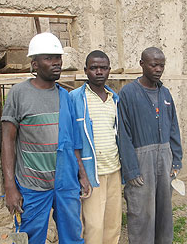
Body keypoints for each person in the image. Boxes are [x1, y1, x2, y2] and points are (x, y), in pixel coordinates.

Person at [0, 32, 91, 244]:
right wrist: (10, 186)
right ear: (34, 64)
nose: (56, 63)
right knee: (31, 238)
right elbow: (7, 141)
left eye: (58, 57)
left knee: (72, 237)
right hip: (32, 186)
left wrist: (82, 175)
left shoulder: (65, 96)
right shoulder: (19, 93)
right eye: (49, 58)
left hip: (65, 183)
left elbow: (73, 143)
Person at [118, 47, 183, 244]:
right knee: (141, 212)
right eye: (154, 64)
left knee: (164, 210)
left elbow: (174, 128)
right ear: (142, 64)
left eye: (161, 65)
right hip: (140, 160)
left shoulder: (165, 93)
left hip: (165, 158)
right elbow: (123, 134)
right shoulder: (128, 93)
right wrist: (131, 170)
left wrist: (176, 161)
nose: (158, 69)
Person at [69, 50, 122, 244]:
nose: (99, 72)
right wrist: (82, 173)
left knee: (113, 224)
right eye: (94, 68)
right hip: (92, 173)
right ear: (86, 71)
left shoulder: (114, 99)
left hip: (114, 170)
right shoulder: (75, 98)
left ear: (109, 70)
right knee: (93, 226)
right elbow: (71, 139)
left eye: (103, 68)